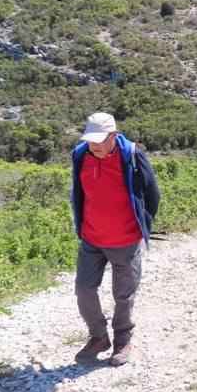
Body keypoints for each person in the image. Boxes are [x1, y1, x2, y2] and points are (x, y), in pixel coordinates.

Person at [70, 112, 161, 366]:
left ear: (114, 135)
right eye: (90, 139)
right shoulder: (80, 156)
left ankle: (122, 339)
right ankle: (98, 337)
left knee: (123, 295)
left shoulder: (131, 155)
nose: (94, 145)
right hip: (91, 237)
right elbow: (79, 193)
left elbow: (152, 194)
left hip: (125, 239)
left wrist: (141, 224)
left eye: (99, 140)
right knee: (84, 289)